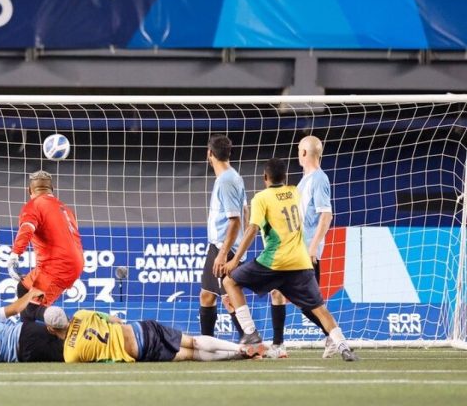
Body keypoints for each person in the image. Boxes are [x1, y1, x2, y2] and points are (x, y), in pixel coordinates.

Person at [221, 158, 358, 362]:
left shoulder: (261, 198)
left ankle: (250, 333)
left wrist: (235, 260)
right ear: (285, 178)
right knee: (320, 309)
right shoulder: (295, 192)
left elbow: (252, 229)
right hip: (301, 262)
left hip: (274, 262)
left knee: (229, 281)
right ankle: (343, 346)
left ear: (264, 177)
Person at [267, 136, 335, 359]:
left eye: (299, 150)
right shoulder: (304, 181)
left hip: (306, 252)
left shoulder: (319, 179)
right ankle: (278, 345)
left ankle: (334, 336)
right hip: (294, 250)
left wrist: (313, 248)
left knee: (308, 304)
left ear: (305, 153)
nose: (298, 154)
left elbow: (326, 215)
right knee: (277, 291)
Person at [44, 307, 263, 363]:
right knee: (193, 340)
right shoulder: (82, 314)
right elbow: (116, 320)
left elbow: (106, 361)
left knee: (190, 355)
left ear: (50, 329)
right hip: (142, 329)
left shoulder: (70, 355)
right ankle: (240, 348)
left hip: (141, 351)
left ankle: (240, 355)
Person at [6, 170, 84, 322]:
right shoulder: (66, 209)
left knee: (33, 309)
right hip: (70, 262)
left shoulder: (33, 205)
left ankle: (74, 332)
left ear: (29, 190)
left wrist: (14, 256)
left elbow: (27, 229)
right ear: (52, 190)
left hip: (57, 266)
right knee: (24, 288)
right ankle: (25, 336)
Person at [203, 135, 247, 339]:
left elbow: (235, 220)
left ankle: (249, 339)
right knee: (207, 295)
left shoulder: (227, 181)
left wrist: (223, 254)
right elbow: (245, 210)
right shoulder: (230, 177)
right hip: (220, 246)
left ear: (210, 154)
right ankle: (208, 341)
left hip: (224, 248)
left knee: (229, 298)